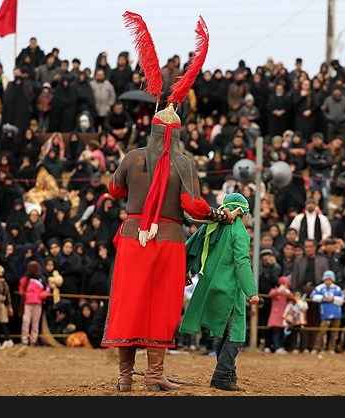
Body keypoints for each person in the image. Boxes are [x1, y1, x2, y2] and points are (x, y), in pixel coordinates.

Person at [101, 101, 233, 392]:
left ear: (153, 130)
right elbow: (193, 206)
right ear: (177, 132)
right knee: (160, 303)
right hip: (168, 240)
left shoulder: (132, 157)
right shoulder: (183, 162)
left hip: (133, 238)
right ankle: (154, 375)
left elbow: (114, 189)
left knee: (129, 302)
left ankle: (125, 377)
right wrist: (219, 215)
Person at [180, 193, 259, 391]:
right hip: (230, 289)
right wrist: (251, 292)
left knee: (223, 332)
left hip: (209, 285)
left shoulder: (212, 226)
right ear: (241, 212)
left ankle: (229, 374)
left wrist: (185, 271)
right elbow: (242, 262)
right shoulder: (239, 231)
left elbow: (190, 247)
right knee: (236, 334)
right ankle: (222, 376)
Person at [310, 270, 345, 353]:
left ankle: (331, 348)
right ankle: (316, 348)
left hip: (336, 312)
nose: (328, 281)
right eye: (326, 279)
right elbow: (313, 296)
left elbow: (342, 300)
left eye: (330, 279)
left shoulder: (337, 288)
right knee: (322, 331)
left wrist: (333, 299)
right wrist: (322, 298)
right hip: (325, 312)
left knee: (334, 332)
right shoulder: (319, 288)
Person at [18, 261, 50, 345]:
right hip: (27, 303)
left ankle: (33, 340)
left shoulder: (42, 279)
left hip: (38, 303)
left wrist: (42, 295)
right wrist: (25, 295)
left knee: (35, 323)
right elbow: (21, 289)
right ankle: (24, 340)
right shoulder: (25, 279)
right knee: (26, 322)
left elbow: (47, 289)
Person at [267, 276, 292, 354]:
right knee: (276, 332)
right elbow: (270, 294)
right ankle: (277, 347)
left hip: (283, 315)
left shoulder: (286, 292)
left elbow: (292, 297)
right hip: (275, 315)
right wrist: (278, 290)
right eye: (285, 283)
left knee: (282, 332)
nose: (286, 285)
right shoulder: (275, 290)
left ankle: (279, 347)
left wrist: (287, 292)